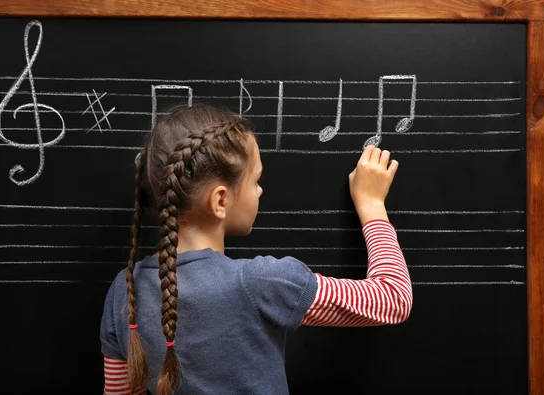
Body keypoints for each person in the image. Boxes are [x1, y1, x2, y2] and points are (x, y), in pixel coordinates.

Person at [100, 104, 412, 395]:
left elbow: (120, 391)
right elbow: (392, 300)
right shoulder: (263, 283)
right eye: (256, 179)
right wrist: (371, 204)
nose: (261, 190)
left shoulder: (124, 291)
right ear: (220, 200)